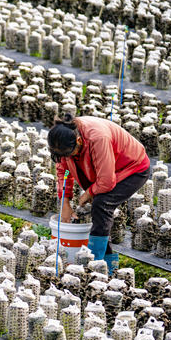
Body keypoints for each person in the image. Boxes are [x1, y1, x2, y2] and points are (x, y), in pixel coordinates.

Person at [49, 113, 150, 274]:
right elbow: (63, 171)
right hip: (106, 171)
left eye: (68, 154)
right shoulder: (62, 139)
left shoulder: (97, 138)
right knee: (100, 214)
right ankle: (109, 266)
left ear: (79, 141)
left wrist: (89, 192)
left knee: (102, 204)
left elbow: (107, 181)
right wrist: (65, 201)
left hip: (133, 169)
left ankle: (93, 263)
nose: (65, 158)